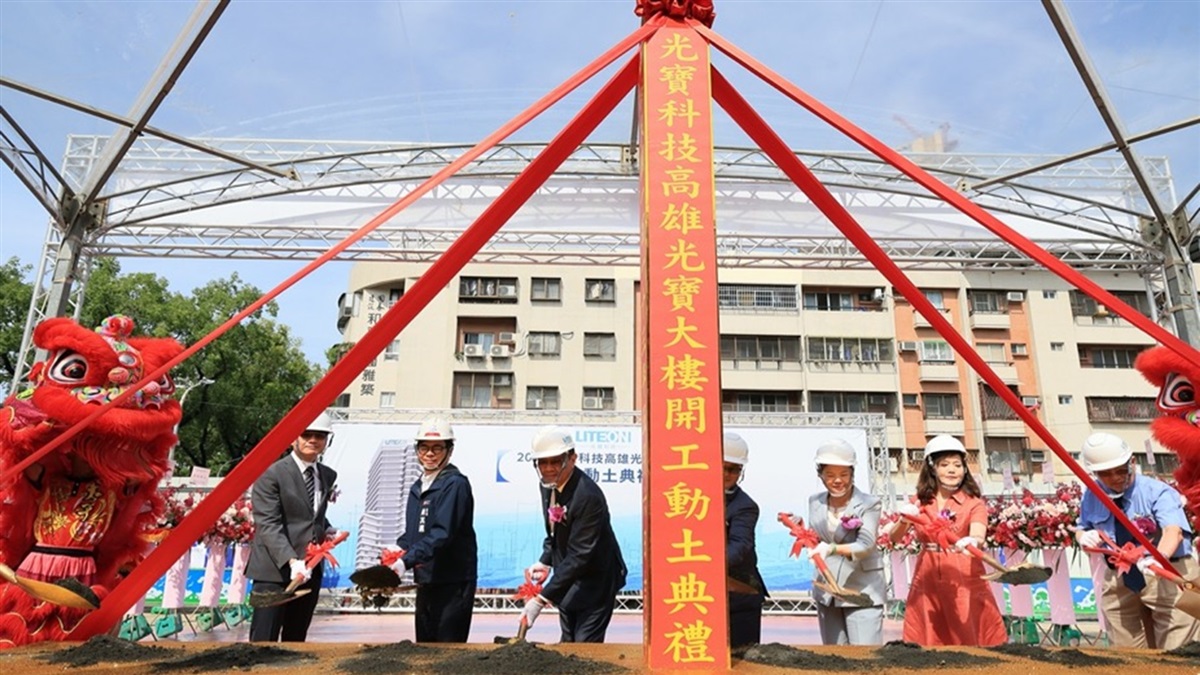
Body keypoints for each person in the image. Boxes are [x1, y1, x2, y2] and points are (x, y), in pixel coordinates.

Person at [1075, 432, 1199, 650]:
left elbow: (1173, 531)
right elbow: (1081, 527)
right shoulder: (1092, 495)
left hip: (1167, 572)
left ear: (1132, 462)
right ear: (1094, 473)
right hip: (1119, 577)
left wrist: (1160, 558)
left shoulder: (1157, 491)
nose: (1115, 477)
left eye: (1120, 470)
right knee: (1125, 651)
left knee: (1177, 649)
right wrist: (1083, 536)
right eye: (1105, 473)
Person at [890, 434, 1006, 646]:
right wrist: (904, 519)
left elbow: (978, 535)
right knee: (926, 637)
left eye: (957, 465)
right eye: (945, 465)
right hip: (927, 574)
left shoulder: (973, 503)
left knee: (966, 634)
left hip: (963, 575)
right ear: (932, 468)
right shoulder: (920, 502)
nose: (952, 470)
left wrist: (971, 541)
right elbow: (894, 538)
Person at [520, 426, 627, 642]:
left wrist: (541, 600)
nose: (548, 468)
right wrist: (546, 560)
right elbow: (555, 531)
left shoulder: (587, 496)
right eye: (542, 462)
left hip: (595, 581)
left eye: (555, 462)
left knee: (584, 645)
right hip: (568, 579)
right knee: (568, 642)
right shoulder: (548, 484)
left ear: (572, 458)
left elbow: (580, 554)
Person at [246, 412, 340, 642]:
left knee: (296, 640)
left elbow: (311, 515)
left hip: (309, 571)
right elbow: (268, 523)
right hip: (274, 570)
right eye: (306, 434)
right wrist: (291, 560)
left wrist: (327, 529)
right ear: (292, 438)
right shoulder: (271, 474)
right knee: (264, 640)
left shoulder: (327, 475)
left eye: (320, 435)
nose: (313, 440)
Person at [388, 416, 477, 642]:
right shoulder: (418, 486)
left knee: (447, 650)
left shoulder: (455, 484)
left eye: (437, 448)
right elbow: (413, 534)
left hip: (452, 582)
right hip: (427, 579)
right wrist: (397, 550)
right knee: (425, 646)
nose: (430, 454)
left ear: (449, 450)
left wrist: (405, 561)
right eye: (424, 448)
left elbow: (442, 533)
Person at [807, 438, 885, 645]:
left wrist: (831, 549)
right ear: (820, 475)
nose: (837, 480)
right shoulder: (815, 502)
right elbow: (817, 537)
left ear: (852, 473)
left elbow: (865, 545)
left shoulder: (869, 504)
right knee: (834, 656)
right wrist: (800, 528)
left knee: (864, 656)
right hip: (827, 591)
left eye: (843, 474)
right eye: (830, 475)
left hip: (861, 589)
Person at [723, 432, 768, 648]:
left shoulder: (745, 506)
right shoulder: (690, 498)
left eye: (734, 469)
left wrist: (705, 568)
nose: (727, 474)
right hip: (700, 594)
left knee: (743, 658)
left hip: (739, 596)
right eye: (722, 467)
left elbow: (739, 546)